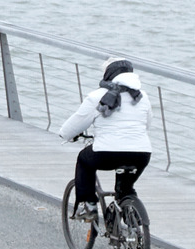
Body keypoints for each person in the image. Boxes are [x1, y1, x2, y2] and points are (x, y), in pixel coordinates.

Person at [60, 59, 153, 210]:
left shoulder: (97, 96)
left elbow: (76, 123)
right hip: (141, 153)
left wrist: (65, 135)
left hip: (106, 154)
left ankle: (89, 204)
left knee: (84, 160)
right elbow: (147, 124)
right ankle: (131, 215)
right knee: (125, 188)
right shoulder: (142, 96)